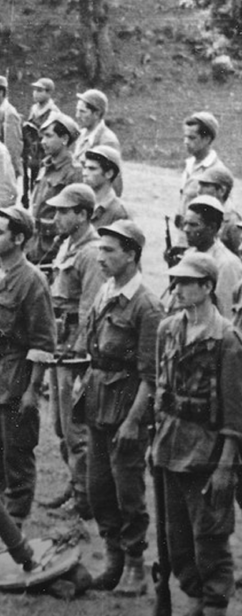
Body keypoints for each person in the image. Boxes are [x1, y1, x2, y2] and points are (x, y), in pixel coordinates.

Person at [75, 220, 164, 595]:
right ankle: (113, 557)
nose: (101, 257)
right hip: (98, 403)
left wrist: (133, 421)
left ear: (131, 254)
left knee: (128, 490)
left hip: (127, 408)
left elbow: (151, 374)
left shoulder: (146, 305)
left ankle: (134, 566)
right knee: (98, 489)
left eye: (109, 250)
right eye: (100, 249)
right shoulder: (106, 290)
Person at [153, 252, 242, 616]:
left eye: (188, 282)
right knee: (177, 538)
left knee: (210, 535)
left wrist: (225, 465)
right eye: (176, 281)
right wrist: (154, 442)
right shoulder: (168, 328)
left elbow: (235, 413)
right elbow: (162, 389)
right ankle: (193, 596)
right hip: (170, 445)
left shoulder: (227, 340)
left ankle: (215, 603)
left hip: (207, 450)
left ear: (207, 287)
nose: (178, 288)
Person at [0, 205, 56, 545]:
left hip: (17, 376)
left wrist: (34, 389)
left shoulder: (32, 280)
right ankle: (1, 517)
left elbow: (43, 341)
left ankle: (14, 522)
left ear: (19, 238)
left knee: (16, 451)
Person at [36, 183, 104, 520]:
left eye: (65, 211)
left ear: (82, 214)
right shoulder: (68, 245)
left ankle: (84, 498)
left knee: (76, 429)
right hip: (58, 343)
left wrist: (81, 360)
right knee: (61, 426)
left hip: (74, 349)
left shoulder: (91, 253)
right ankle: (75, 482)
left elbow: (92, 308)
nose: (57, 217)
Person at [28, 112, 83, 264]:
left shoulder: (74, 173)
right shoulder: (46, 165)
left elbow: (74, 220)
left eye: (48, 136)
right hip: (34, 247)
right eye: (42, 137)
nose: (43, 142)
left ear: (64, 139)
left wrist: (37, 225)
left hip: (52, 251)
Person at [180, 195, 242, 320]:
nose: (186, 229)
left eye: (193, 225)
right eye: (185, 224)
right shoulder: (189, 255)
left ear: (212, 228)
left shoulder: (227, 264)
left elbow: (227, 315)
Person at [72, 89, 122, 195]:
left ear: (97, 114)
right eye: (77, 110)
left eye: (82, 111)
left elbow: (115, 184)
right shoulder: (81, 134)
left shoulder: (108, 141)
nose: (77, 115)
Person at [195, 165, 242, 255]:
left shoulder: (233, 223)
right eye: (199, 184)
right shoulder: (202, 214)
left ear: (221, 191)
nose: (199, 190)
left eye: (205, 185)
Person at [82, 145, 130, 228]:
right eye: (85, 168)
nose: (84, 173)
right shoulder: (80, 202)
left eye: (92, 168)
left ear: (109, 174)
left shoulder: (119, 212)